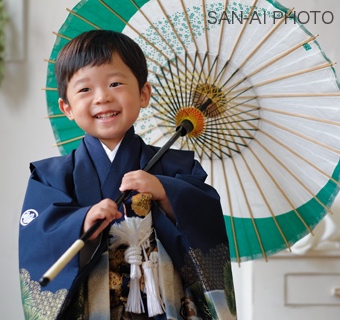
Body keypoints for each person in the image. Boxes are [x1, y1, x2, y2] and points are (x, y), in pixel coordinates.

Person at [18, 30, 236, 320]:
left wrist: (166, 191)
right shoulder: (51, 176)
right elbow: (39, 239)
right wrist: (82, 223)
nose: (102, 97)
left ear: (143, 94)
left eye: (115, 83)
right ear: (66, 107)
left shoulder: (177, 167)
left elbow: (204, 221)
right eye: (85, 89)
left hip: (164, 304)